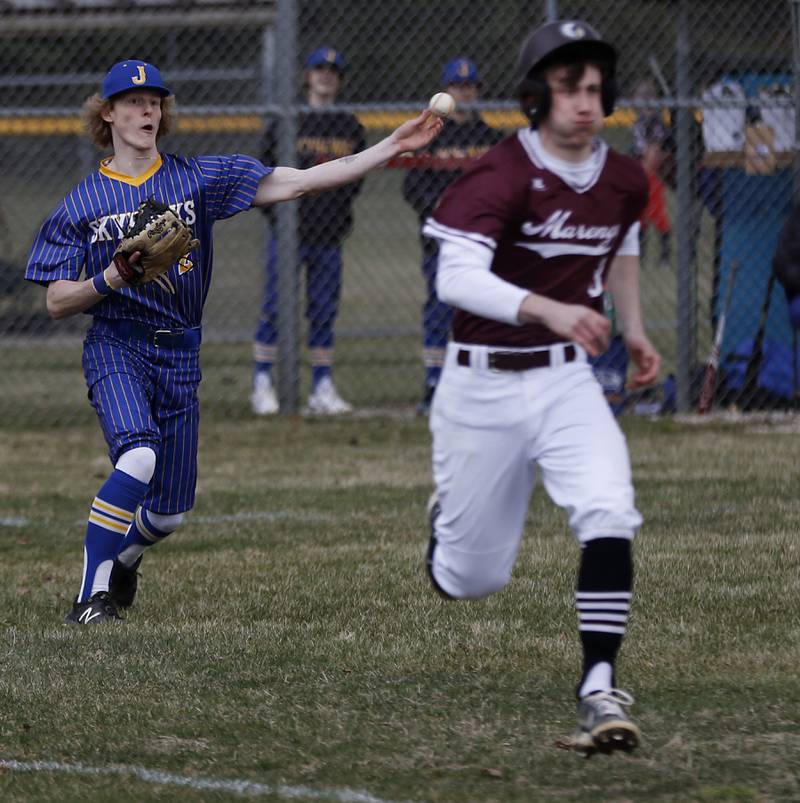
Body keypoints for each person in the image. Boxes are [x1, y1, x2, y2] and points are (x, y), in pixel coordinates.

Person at [24, 59, 442, 625]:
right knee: (139, 454)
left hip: (180, 353)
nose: (146, 110)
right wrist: (113, 278)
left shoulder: (197, 178)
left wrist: (391, 145)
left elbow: (300, 180)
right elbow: (55, 301)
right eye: (131, 101)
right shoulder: (82, 204)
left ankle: (123, 560)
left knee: (168, 515)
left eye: (154, 101)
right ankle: (90, 597)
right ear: (108, 114)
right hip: (117, 345)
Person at [421, 21, 661, 754]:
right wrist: (549, 306)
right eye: (567, 88)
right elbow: (454, 277)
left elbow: (623, 244)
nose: (585, 102)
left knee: (610, 510)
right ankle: (444, 532)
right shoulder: (497, 171)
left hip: (566, 382)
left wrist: (635, 327)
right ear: (536, 96)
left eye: (594, 89)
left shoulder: (623, 178)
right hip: (480, 387)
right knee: (470, 579)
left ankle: (598, 685)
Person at [251, 46, 366, 416]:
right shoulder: (288, 121)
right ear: (307, 75)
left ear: (341, 79)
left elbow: (355, 181)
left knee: (323, 312)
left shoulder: (350, 126)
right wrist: (277, 218)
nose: (326, 75)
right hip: (288, 234)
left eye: (333, 70)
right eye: (319, 68)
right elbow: (262, 174)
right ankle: (263, 382)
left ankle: (321, 386)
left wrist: (336, 214)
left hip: (329, 236)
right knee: (274, 308)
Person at [402, 58, 502, 414]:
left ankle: (481, 385)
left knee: (484, 312)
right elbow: (412, 186)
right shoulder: (432, 138)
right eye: (457, 87)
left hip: (484, 242)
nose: (465, 92)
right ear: (446, 92)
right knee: (439, 312)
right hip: (440, 243)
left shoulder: (492, 139)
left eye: (470, 87)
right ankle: (434, 385)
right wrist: (442, 209)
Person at [629, 77, 671, 268]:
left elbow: (654, 150)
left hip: (649, 173)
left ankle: (664, 255)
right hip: (638, 172)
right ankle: (640, 255)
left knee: (657, 215)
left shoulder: (653, 123)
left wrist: (647, 169)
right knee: (638, 216)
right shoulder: (640, 122)